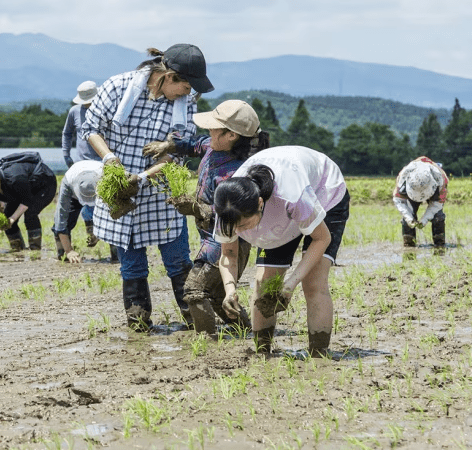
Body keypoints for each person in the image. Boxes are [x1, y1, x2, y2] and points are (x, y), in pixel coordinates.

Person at [82, 44, 213, 331]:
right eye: (185, 86)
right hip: (119, 191)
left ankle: (198, 324)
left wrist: (142, 178)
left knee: (178, 262)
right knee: (132, 266)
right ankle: (138, 326)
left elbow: (177, 151)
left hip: (161, 193)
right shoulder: (118, 87)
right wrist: (110, 159)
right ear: (169, 76)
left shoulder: (185, 103)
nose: (188, 93)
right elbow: (90, 129)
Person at [144, 99, 270, 336]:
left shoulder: (235, 173)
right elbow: (194, 145)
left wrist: (197, 208)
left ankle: (206, 342)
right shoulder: (214, 147)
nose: (208, 130)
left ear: (231, 135)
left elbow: (234, 214)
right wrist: (168, 146)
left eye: (214, 127)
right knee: (218, 294)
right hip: (209, 236)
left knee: (194, 290)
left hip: (229, 239)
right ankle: (246, 332)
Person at [213, 146, 349, 357]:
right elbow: (228, 254)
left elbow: (322, 239)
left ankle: (318, 355)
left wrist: (290, 284)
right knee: (265, 282)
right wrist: (229, 290)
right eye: (235, 227)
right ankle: (262, 352)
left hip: (324, 193)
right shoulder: (227, 207)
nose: (239, 232)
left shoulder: (292, 196)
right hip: (277, 218)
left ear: (259, 203)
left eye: (244, 225)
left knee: (313, 282)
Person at [0, 152, 57, 252]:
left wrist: (12, 219)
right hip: (21, 190)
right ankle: (18, 249)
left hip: (44, 185)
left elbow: (27, 201)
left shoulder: (14, 178)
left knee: (30, 213)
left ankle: (35, 249)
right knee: (6, 219)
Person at [61, 81, 102, 250]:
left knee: (104, 201)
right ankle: (91, 230)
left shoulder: (104, 111)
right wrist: (66, 154)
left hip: (101, 162)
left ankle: (109, 240)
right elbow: (67, 133)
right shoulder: (75, 112)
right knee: (85, 198)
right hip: (81, 163)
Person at [393, 157, 448, 247]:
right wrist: (408, 218)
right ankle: (409, 244)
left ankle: (439, 244)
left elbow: (437, 203)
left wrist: (425, 219)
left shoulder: (441, 180)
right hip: (410, 194)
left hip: (433, 190)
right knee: (408, 216)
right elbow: (399, 202)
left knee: (438, 217)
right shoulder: (402, 180)